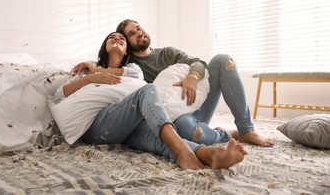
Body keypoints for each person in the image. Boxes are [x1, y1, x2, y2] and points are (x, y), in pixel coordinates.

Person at [53, 32, 248, 170]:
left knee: (157, 138)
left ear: (127, 51)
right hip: (99, 125)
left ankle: (208, 155)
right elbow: (60, 96)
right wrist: (89, 77)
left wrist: (99, 72)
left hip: (128, 125)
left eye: (121, 38)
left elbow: (128, 74)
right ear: (104, 47)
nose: (117, 38)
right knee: (148, 90)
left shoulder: (134, 70)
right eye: (112, 37)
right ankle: (183, 151)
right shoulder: (88, 69)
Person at [116, 19, 274, 147]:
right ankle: (227, 134)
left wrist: (192, 77)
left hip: (197, 103)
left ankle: (246, 129)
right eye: (131, 33)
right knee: (189, 131)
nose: (138, 33)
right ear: (127, 44)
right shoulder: (131, 69)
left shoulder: (167, 53)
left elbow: (197, 62)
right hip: (178, 119)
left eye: (138, 27)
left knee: (223, 60)